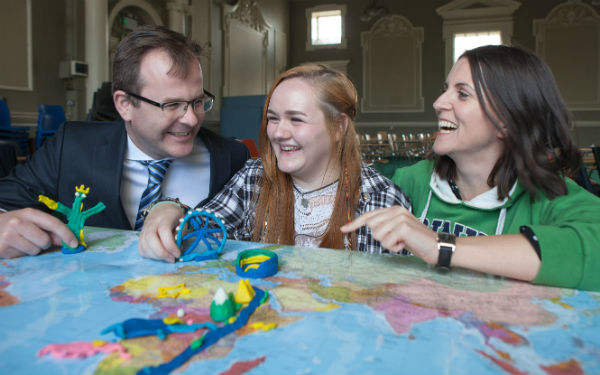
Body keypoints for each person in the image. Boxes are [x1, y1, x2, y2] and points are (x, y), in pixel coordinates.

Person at [342, 45, 600, 291]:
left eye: (462, 94)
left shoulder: (549, 195)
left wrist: (440, 247)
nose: (438, 103)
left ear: (507, 121)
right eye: (445, 90)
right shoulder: (411, 180)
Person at [0, 25, 249, 259]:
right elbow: (7, 199)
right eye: (172, 104)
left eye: (198, 101)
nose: (192, 118)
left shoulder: (232, 157)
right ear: (125, 105)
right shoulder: (72, 146)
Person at [139, 64, 410, 262]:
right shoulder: (254, 179)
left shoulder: (380, 199)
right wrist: (169, 209)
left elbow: (389, 297)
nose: (278, 133)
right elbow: (202, 229)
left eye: (296, 119)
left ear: (339, 127)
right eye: (273, 118)